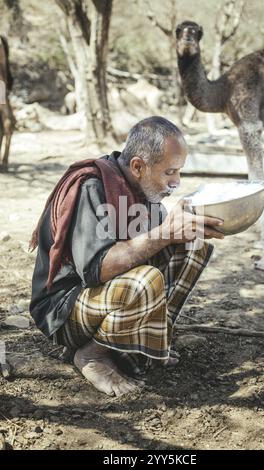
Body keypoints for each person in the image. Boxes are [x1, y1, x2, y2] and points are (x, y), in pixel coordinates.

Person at [29, 116, 224, 397]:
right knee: (144, 280)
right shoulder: (92, 187)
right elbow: (96, 269)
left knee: (194, 246)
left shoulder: (144, 188)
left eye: (179, 172)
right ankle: (93, 356)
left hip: (106, 296)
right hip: (64, 309)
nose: (176, 182)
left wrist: (188, 225)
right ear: (138, 166)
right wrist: (165, 233)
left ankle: (145, 345)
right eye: (170, 172)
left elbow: (156, 243)